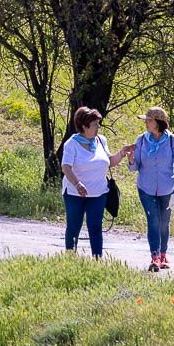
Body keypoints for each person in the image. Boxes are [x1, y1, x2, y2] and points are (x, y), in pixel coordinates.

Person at [60, 107, 134, 259]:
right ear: (84, 126)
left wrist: (121, 153)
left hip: (99, 192)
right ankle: (69, 259)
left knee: (95, 226)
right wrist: (77, 184)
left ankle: (97, 259)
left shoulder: (101, 140)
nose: (98, 127)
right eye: (95, 124)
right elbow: (65, 167)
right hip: (75, 193)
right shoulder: (71, 144)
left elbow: (109, 162)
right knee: (74, 226)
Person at [126, 107, 174, 272]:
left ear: (158, 123)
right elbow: (135, 168)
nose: (146, 123)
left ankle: (163, 254)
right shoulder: (141, 140)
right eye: (145, 120)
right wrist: (131, 160)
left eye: (149, 120)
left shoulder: (172, 141)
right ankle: (154, 256)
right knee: (153, 221)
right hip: (146, 188)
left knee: (164, 223)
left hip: (167, 188)